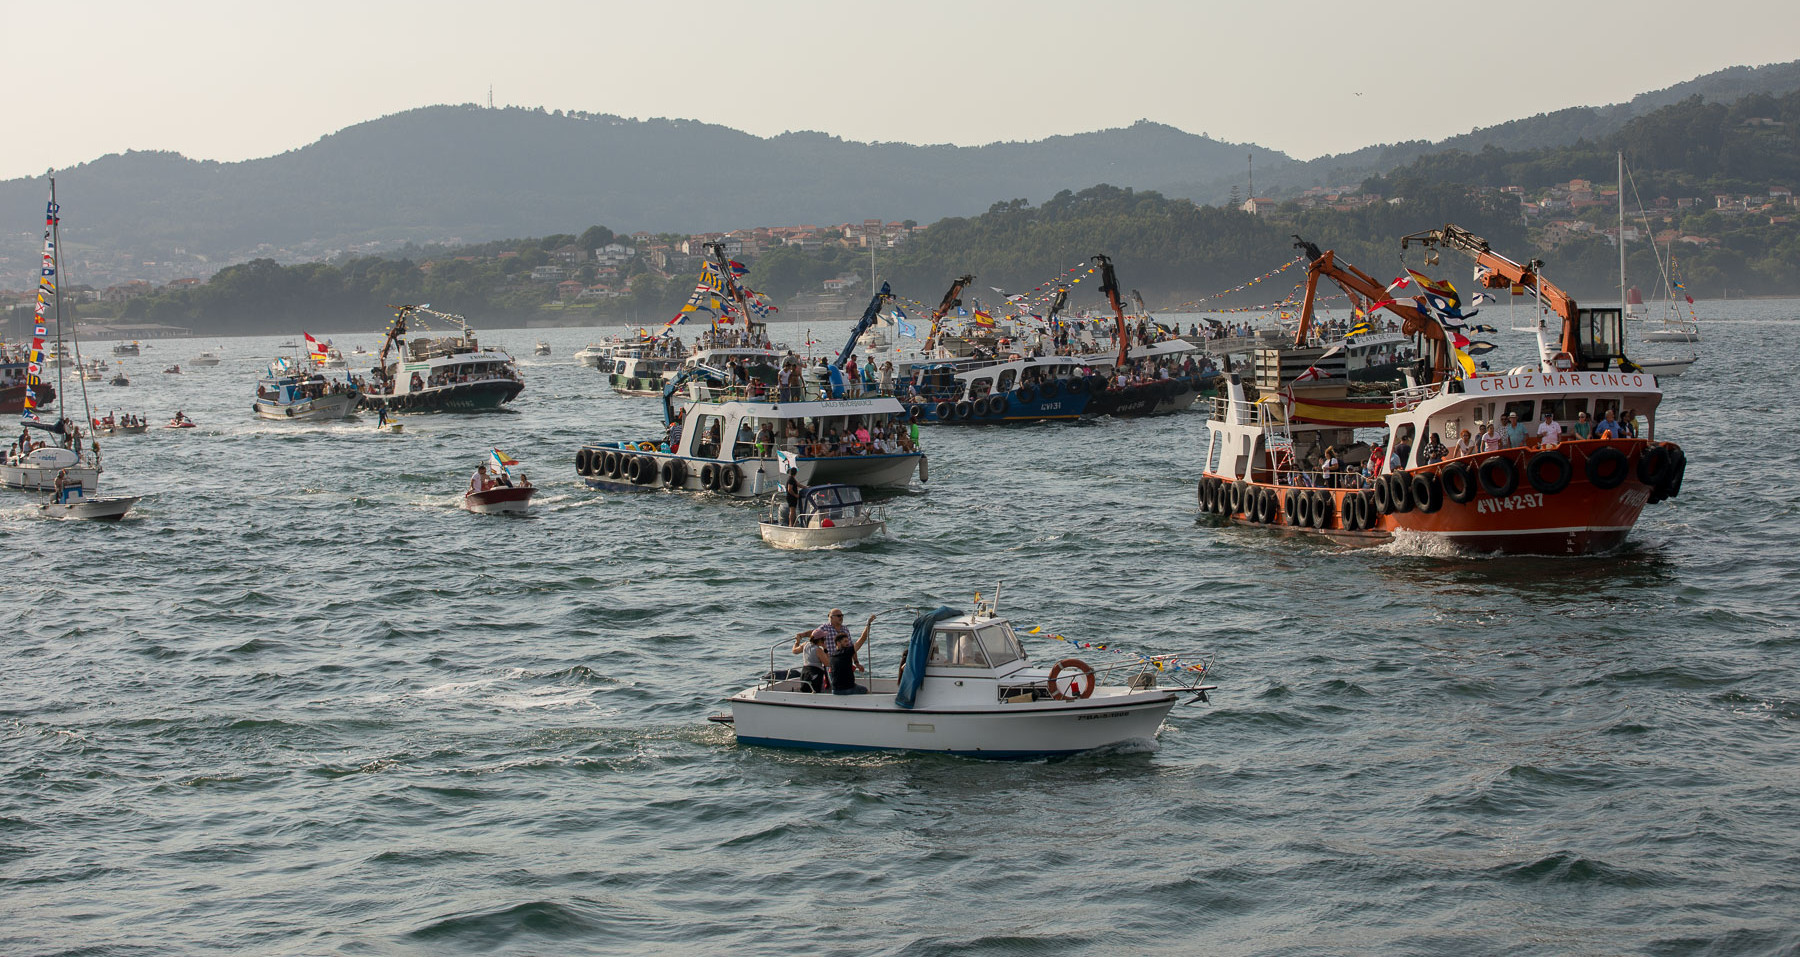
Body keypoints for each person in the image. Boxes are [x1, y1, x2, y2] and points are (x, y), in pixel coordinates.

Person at [797, 608, 870, 695]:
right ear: (831, 617)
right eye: (839, 616)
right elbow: (814, 633)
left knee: (846, 683)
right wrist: (803, 635)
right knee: (835, 685)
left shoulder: (845, 629)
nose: (841, 617)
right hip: (830, 662)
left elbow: (851, 647)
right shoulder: (825, 627)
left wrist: (856, 662)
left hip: (845, 662)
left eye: (842, 615)